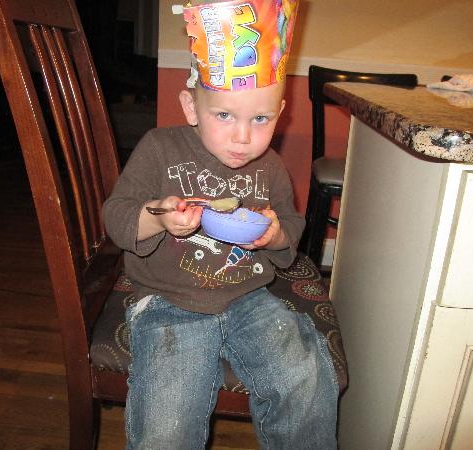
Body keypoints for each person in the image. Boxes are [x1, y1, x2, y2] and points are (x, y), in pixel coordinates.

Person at [102, 1, 338, 448]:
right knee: (167, 422)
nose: (243, 137)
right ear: (191, 107)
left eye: (261, 119)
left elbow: (290, 225)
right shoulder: (159, 147)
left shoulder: (270, 167)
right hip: (167, 299)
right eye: (224, 115)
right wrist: (159, 216)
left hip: (250, 297)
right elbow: (116, 216)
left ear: (281, 112)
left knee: (302, 378)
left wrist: (274, 234)